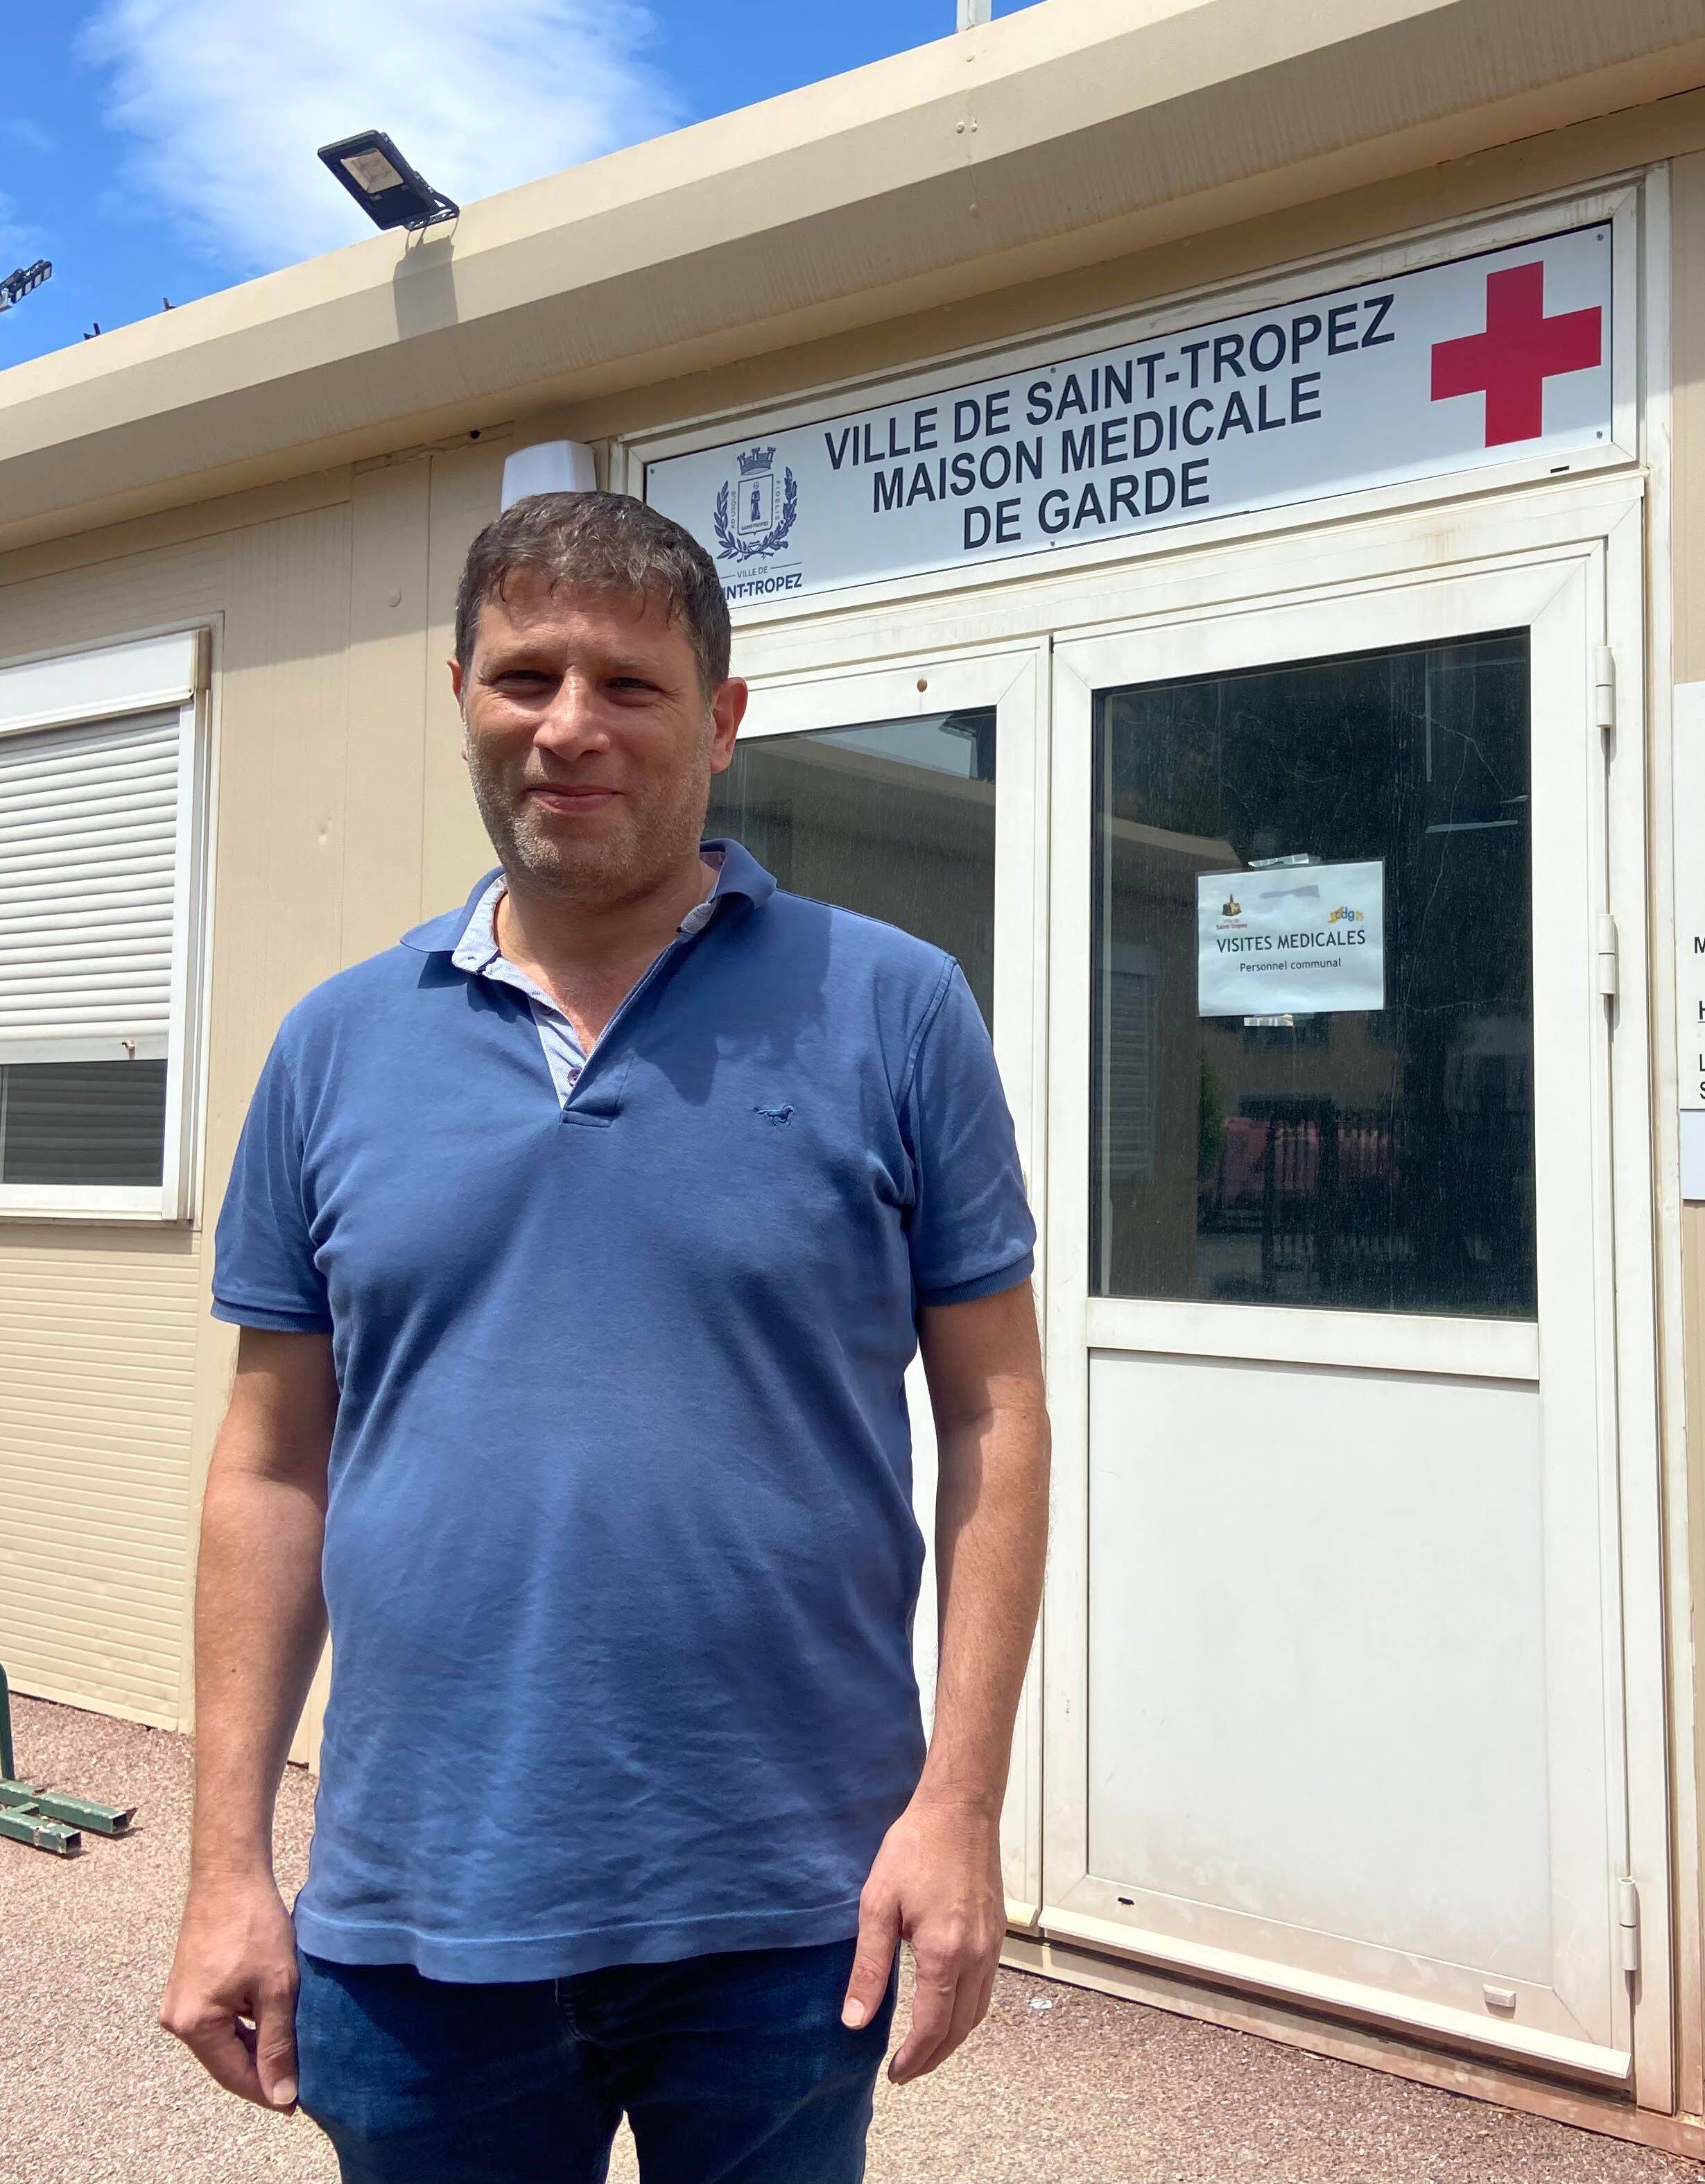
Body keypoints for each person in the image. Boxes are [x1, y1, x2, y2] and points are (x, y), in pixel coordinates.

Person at [158, 490, 1049, 2184]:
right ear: (462, 698)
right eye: (525, 676)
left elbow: (997, 1418)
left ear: (721, 721)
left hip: (791, 1908)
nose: (570, 726)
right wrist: (224, 1867)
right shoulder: (333, 1048)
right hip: (423, 1914)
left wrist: (960, 1808)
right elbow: (270, 1469)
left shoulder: (894, 1007)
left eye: (631, 686)